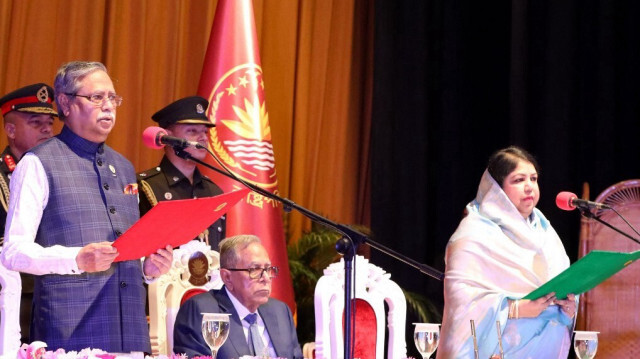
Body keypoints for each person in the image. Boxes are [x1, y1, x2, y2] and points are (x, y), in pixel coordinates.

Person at [0, 61, 173, 353]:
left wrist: (149, 269)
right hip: (70, 334)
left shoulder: (125, 167)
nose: (108, 107)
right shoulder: (37, 163)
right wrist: (77, 259)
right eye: (97, 98)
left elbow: (124, 251)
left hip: (129, 333)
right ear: (66, 104)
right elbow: (14, 253)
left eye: (113, 98)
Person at [437, 146, 577, 359]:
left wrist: (567, 310)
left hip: (547, 347)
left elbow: (564, 284)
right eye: (519, 180)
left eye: (533, 178)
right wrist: (517, 309)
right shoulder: (473, 233)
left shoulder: (545, 229)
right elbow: (462, 302)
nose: (529, 187)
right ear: (496, 189)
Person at [173, 234, 303, 359]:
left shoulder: (280, 311)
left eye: (268, 269)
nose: (266, 278)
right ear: (227, 277)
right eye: (255, 269)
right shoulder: (201, 311)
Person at [0, 83, 56, 343]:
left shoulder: (59, 172)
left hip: (56, 288)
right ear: (10, 130)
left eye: (50, 123)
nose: (47, 129)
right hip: (12, 292)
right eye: (36, 122)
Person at [138, 96, 225, 250]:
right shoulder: (145, 186)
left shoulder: (214, 192)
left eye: (205, 131)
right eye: (192, 131)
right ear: (167, 137)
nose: (204, 137)